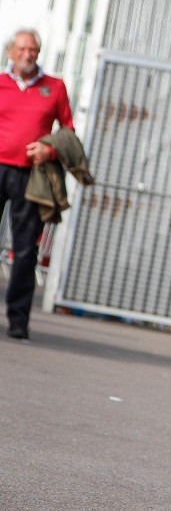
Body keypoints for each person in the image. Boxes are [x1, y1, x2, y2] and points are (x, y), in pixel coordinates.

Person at [1, 29, 74, 340]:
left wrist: (51, 149)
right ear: (11, 52)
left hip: (32, 176)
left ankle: (18, 319)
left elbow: (68, 130)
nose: (28, 54)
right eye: (22, 49)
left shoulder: (54, 87)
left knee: (26, 250)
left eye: (33, 49)